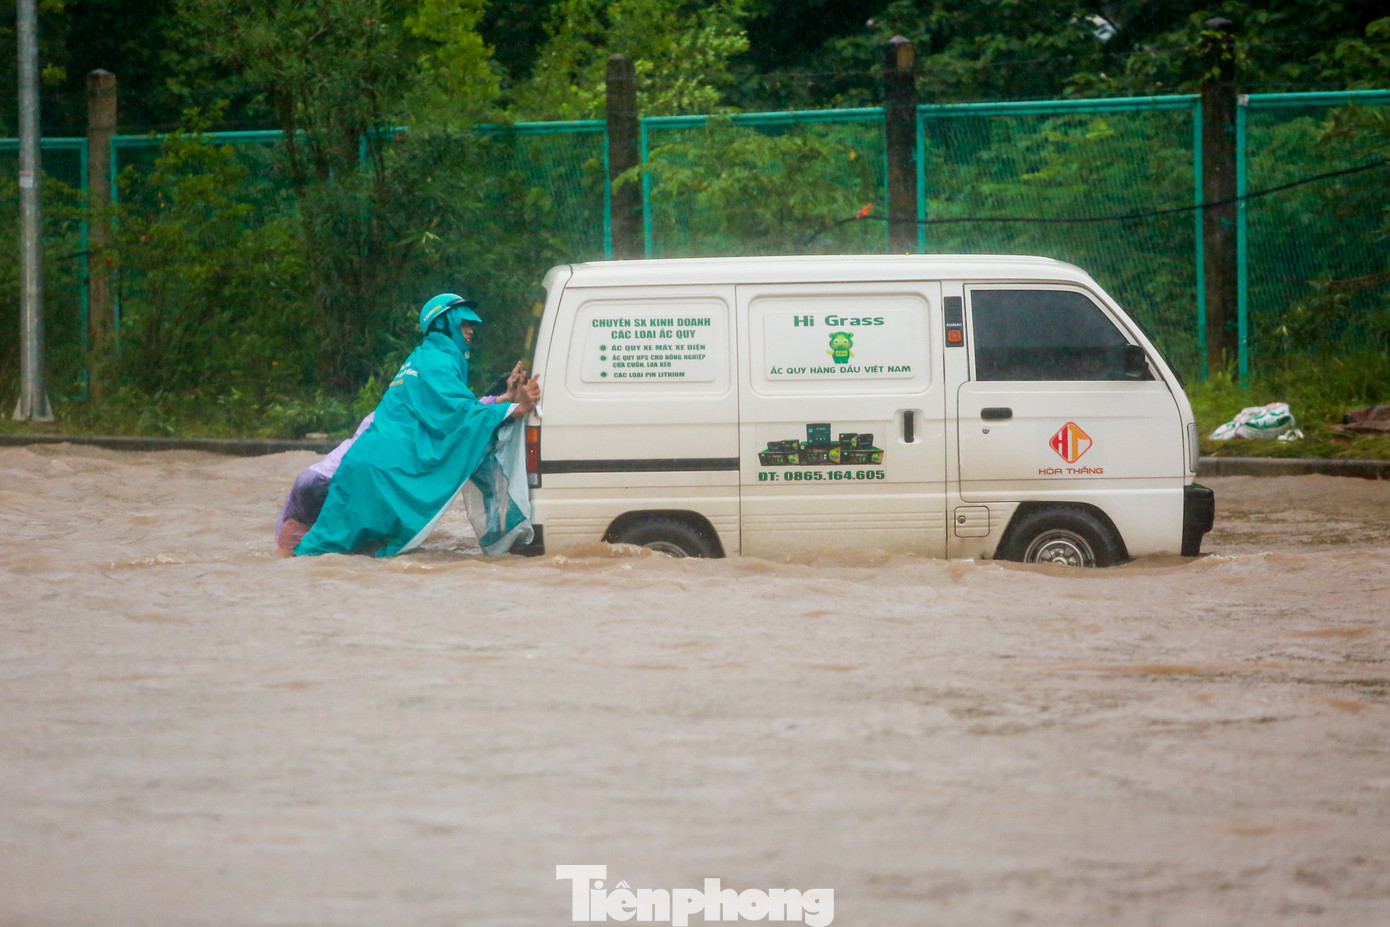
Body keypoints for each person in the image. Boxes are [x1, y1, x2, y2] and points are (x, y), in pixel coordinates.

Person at [293, 293, 540, 558]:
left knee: (324, 553)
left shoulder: (422, 358)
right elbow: (460, 417)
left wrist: (505, 401)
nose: (471, 332)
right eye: (464, 324)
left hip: (364, 469)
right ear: (444, 324)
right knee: (346, 554)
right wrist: (516, 409)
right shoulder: (437, 362)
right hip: (383, 475)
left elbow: (448, 412)